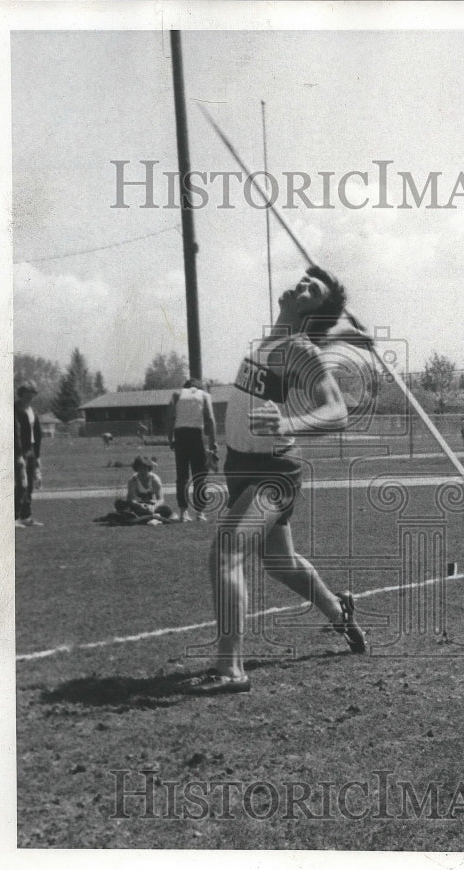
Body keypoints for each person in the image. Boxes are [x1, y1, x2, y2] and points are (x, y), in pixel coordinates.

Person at [186, 266, 367, 696]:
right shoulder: (271, 342)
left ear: (314, 312)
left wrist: (288, 421)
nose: (301, 284)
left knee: (225, 553)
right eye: (304, 280)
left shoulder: (299, 347)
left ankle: (230, 669)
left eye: (313, 288)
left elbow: (337, 411)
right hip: (242, 465)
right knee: (279, 562)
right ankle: (338, 611)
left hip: (273, 470)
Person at [166, 378, 218, 522]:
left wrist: (170, 438)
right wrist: (213, 443)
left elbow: (170, 418)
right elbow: (211, 419)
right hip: (197, 435)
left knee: (181, 476)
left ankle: (183, 512)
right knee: (200, 476)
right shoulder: (204, 395)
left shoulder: (176, 394)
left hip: (180, 434)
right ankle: (200, 513)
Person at [14, 380, 43, 526]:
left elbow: (37, 434)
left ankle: (26, 516)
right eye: (28, 393)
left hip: (31, 450)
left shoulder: (32, 411)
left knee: (30, 484)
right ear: (22, 394)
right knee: (22, 484)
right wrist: (18, 455)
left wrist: (37, 456)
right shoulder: (15, 410)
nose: (31, 396)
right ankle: (13, 517)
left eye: (33, 393)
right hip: (19, 450)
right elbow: (15, 434)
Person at [113, 455, 173, 523]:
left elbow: (160, 499)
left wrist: (154, 507)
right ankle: (152, 517)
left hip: (152, 505)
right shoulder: (133, 481)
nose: (142, 471)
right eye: (140, 469)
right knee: (119, 504)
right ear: (136, 469)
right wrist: (139, 505)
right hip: (138, 506)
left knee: (167, 510)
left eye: (145, 468)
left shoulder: (155, 480)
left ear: (148, 468)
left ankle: (139, 518)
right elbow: (130, 499)